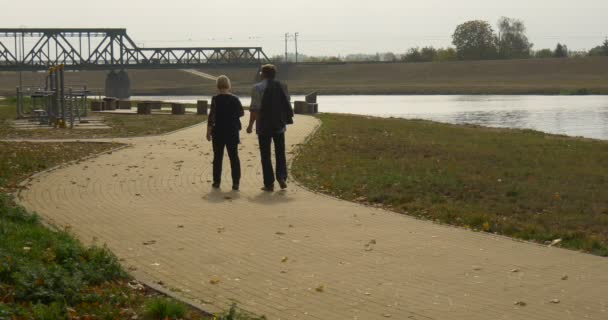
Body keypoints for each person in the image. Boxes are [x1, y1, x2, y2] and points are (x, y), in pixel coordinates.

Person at [246, 64, 294, 192]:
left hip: (263, 126)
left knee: (265, 154)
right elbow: (286, 103)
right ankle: (282, 177)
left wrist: (250, 125)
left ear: (263, 74)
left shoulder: (257, 88)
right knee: (280, 152)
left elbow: (255, 109)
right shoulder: (283, 86)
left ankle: (269, 184)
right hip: (279, 125)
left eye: (261, 72)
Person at [206, 75, 244, 191]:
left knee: (217, 157)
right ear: (228, 85)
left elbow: (211, 117)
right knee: (234, 157)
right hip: (232, 131)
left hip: (218, 132)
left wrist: (208, 132)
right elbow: (241, 113)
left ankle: (217, 182)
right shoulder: (235, 99)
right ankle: (235, 183)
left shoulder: (215, 99)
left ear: (218, 85)